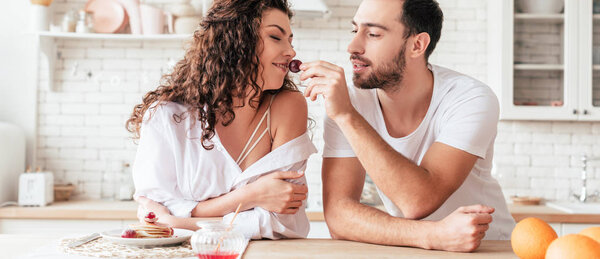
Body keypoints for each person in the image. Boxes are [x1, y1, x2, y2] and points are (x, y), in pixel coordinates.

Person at [299, 0, 515, 252]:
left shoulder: (470, 98)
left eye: (373, 34)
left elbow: (417, 200)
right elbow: (338, 216)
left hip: (489, 248)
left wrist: (347, 116)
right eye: (354, 30)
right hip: (416, 249)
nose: (353, 46)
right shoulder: (349, 104)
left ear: (417, 45)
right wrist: (433, 235)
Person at [125, 0, 316, 240]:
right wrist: (250, 197)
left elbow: (282, 222)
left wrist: (181, 221)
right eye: (276, 37)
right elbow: (154, 215)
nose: (291, 51)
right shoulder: (166, 116)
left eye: (290, 39)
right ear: (237, 40)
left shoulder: (288, 107)